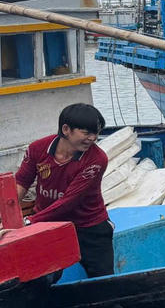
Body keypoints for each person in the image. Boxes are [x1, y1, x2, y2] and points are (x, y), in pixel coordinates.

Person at [15, 103, 115, 277]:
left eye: (96, 133)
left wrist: (29, 222)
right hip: (46, 223)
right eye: (86, 133)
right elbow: (21, 182)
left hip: (87, 225)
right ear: (66, 129)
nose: (92, 138)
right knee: (42, 277)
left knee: (103, 279)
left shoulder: (97, 159)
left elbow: (69, 201)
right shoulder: (37, 148)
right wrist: (7, 216)